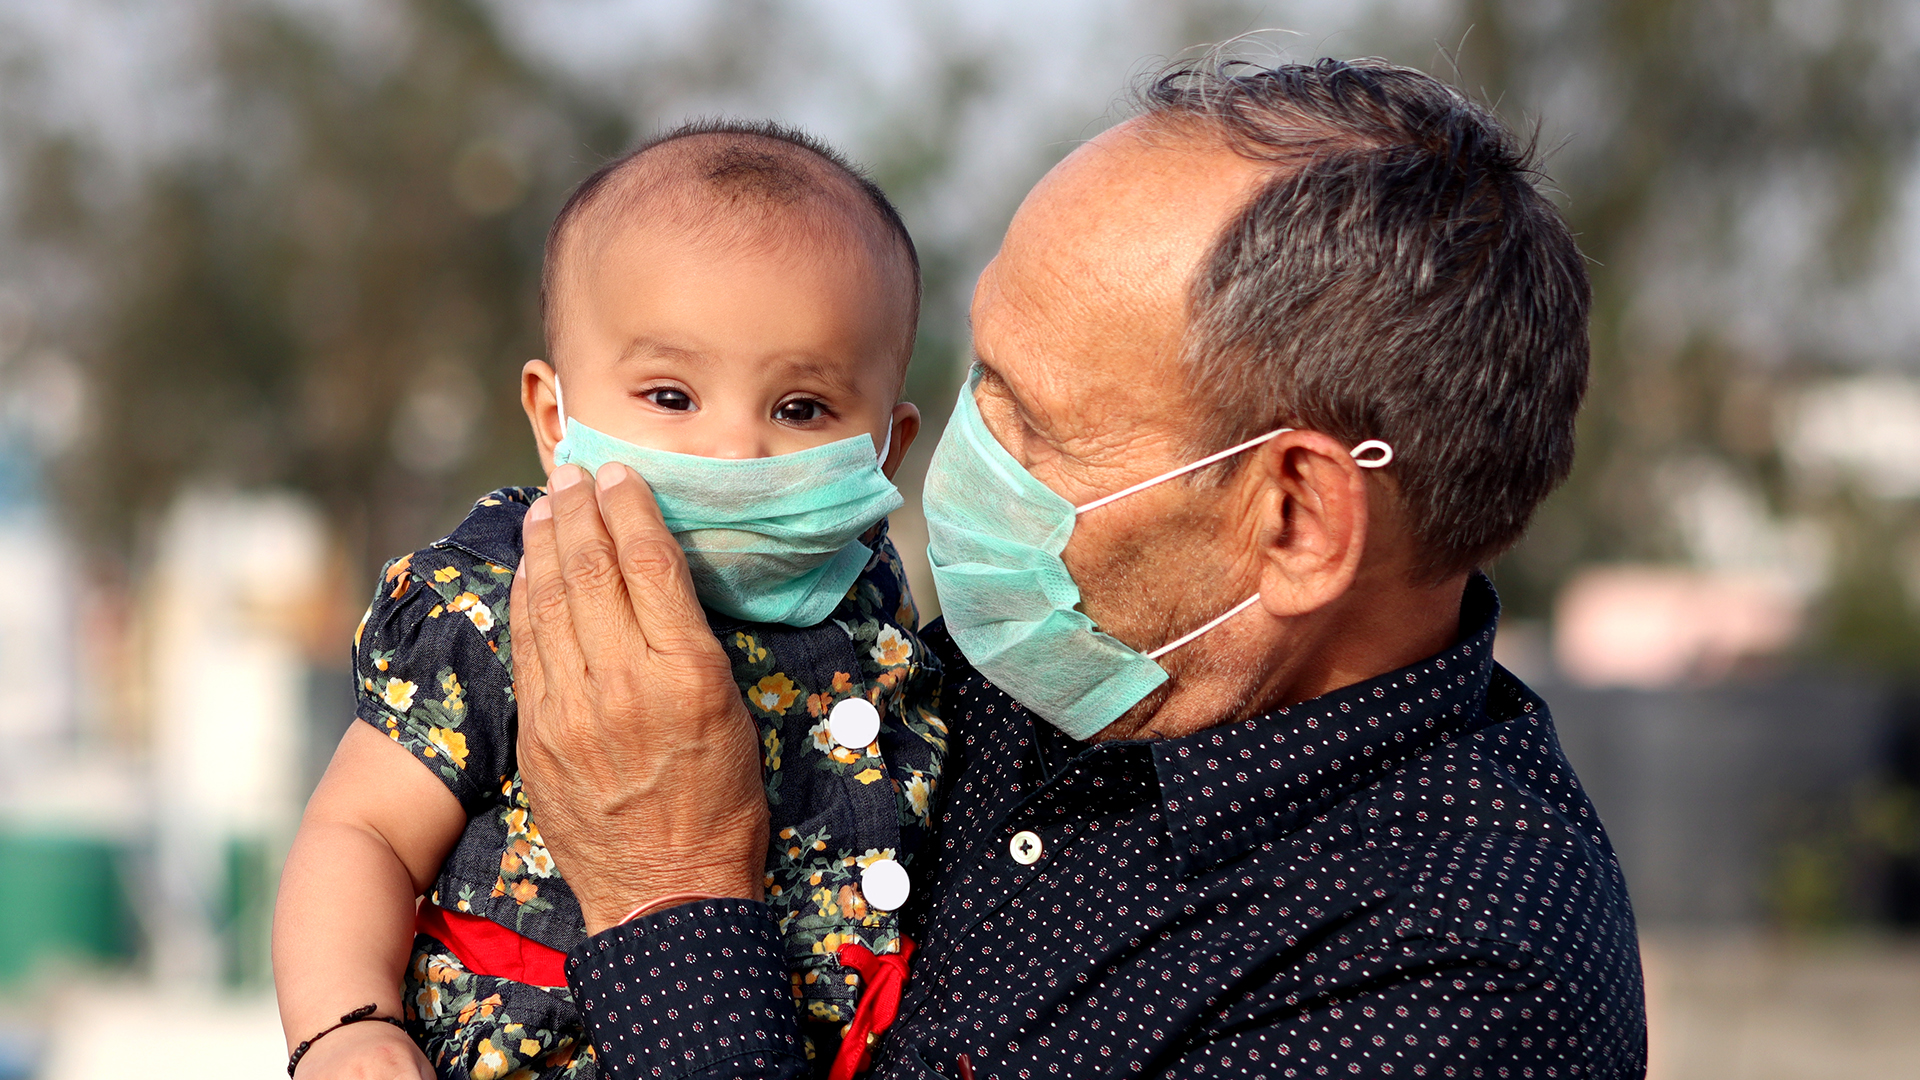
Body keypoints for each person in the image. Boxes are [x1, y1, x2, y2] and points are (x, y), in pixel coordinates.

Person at [511, 57, 1649, 1080]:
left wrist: (671, 893)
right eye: (978, 381)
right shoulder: (1045, 662)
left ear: (1296, 518)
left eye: (1030, 423)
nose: (953, 461)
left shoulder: (1458, 988)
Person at [273, 121, 946, 1079]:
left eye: (801, 408)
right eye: (671, 396)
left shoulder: (879, 603)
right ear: (557, 418)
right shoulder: (501, 600)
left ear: (888, 443)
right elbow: (363, 829)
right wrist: (346, 1027)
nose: (732, 451)